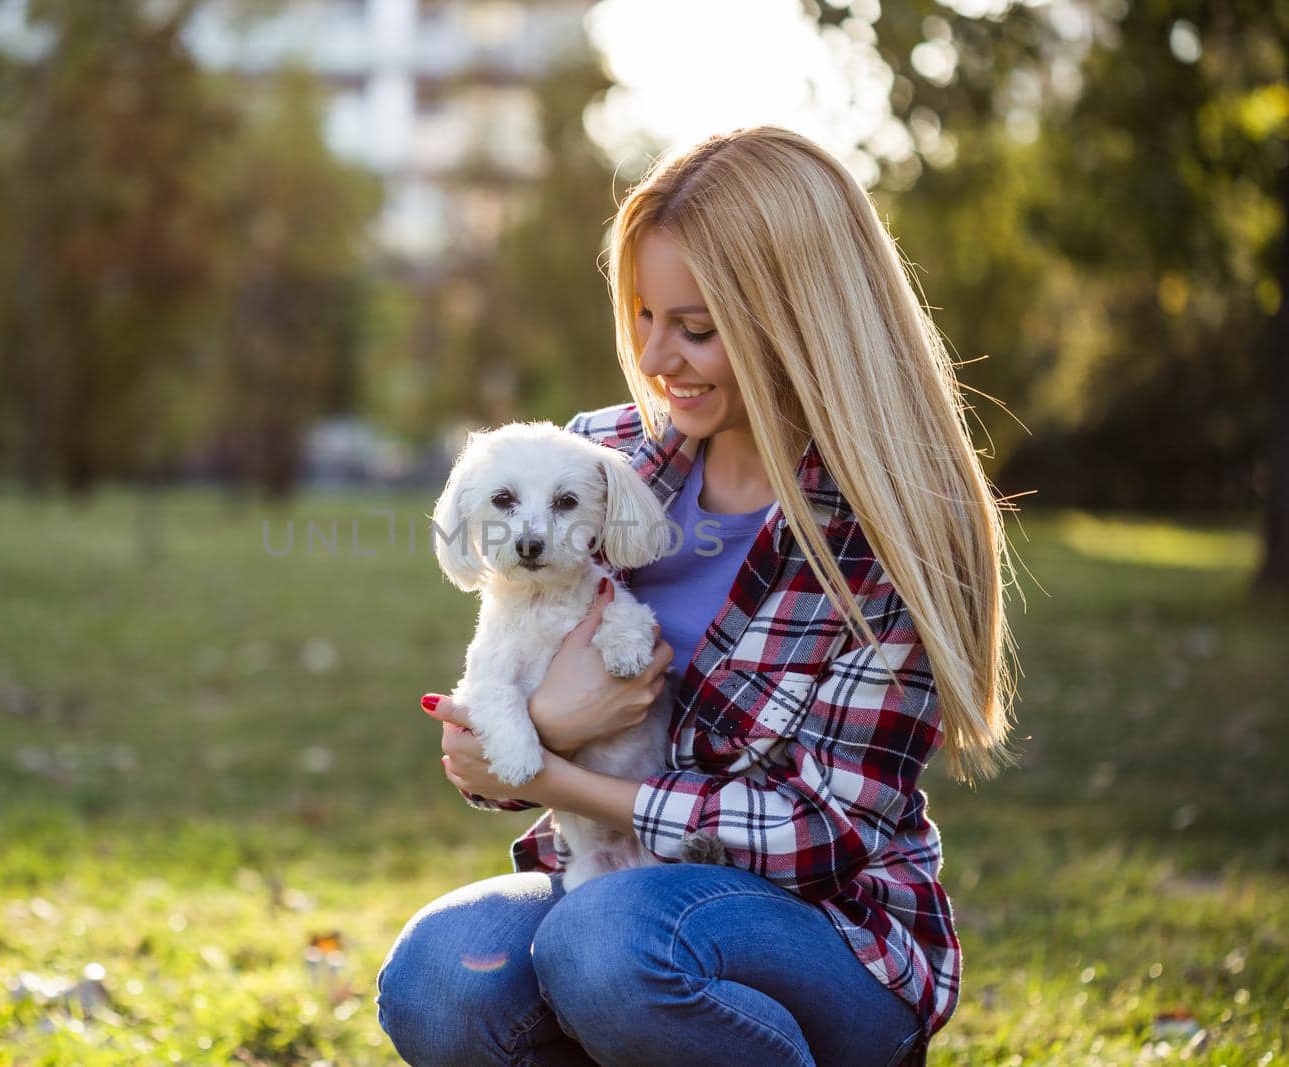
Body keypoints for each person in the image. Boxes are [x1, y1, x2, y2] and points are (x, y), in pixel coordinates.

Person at [376, 126, 1019, 1067]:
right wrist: (535, 725)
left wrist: (549, 772)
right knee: (440, 974)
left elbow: (822, 833)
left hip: (826, 933)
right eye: (641, 314)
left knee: (606, 946)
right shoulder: (603, 458)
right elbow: (492, 738)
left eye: (696, 327)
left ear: (798, 317)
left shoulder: (901, 526)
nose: (656, 356)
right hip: (611, 890)